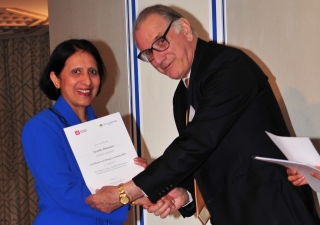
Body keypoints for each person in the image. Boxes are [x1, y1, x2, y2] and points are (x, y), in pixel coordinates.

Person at [86, 5, 320, 224]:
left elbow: (198, 142)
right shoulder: (181, 97)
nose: (156, 59)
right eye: (147, 53)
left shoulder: (229, 66)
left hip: (275, 210)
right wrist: (183, 193)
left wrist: (128, 191)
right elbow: (204, 159)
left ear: (185, 29)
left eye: (160, 42)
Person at [21, 39, 148, 224]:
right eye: (76, 71)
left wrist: (136, 174)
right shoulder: (41, 128)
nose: (87, 80)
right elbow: (66, 192)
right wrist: (129, 194)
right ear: (56, 79)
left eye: (92, 72)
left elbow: (116, 183)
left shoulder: (105, 129)